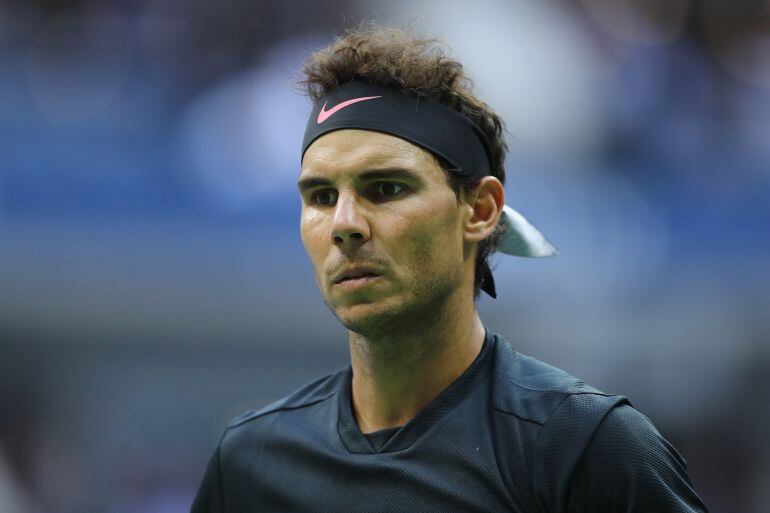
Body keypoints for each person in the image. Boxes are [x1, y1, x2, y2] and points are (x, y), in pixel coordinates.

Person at [190, 22, 708, 512]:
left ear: (480, 210)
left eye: (386, 188)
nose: (344, 225)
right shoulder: (251, 460)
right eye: (322, 196)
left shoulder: (583, 446)